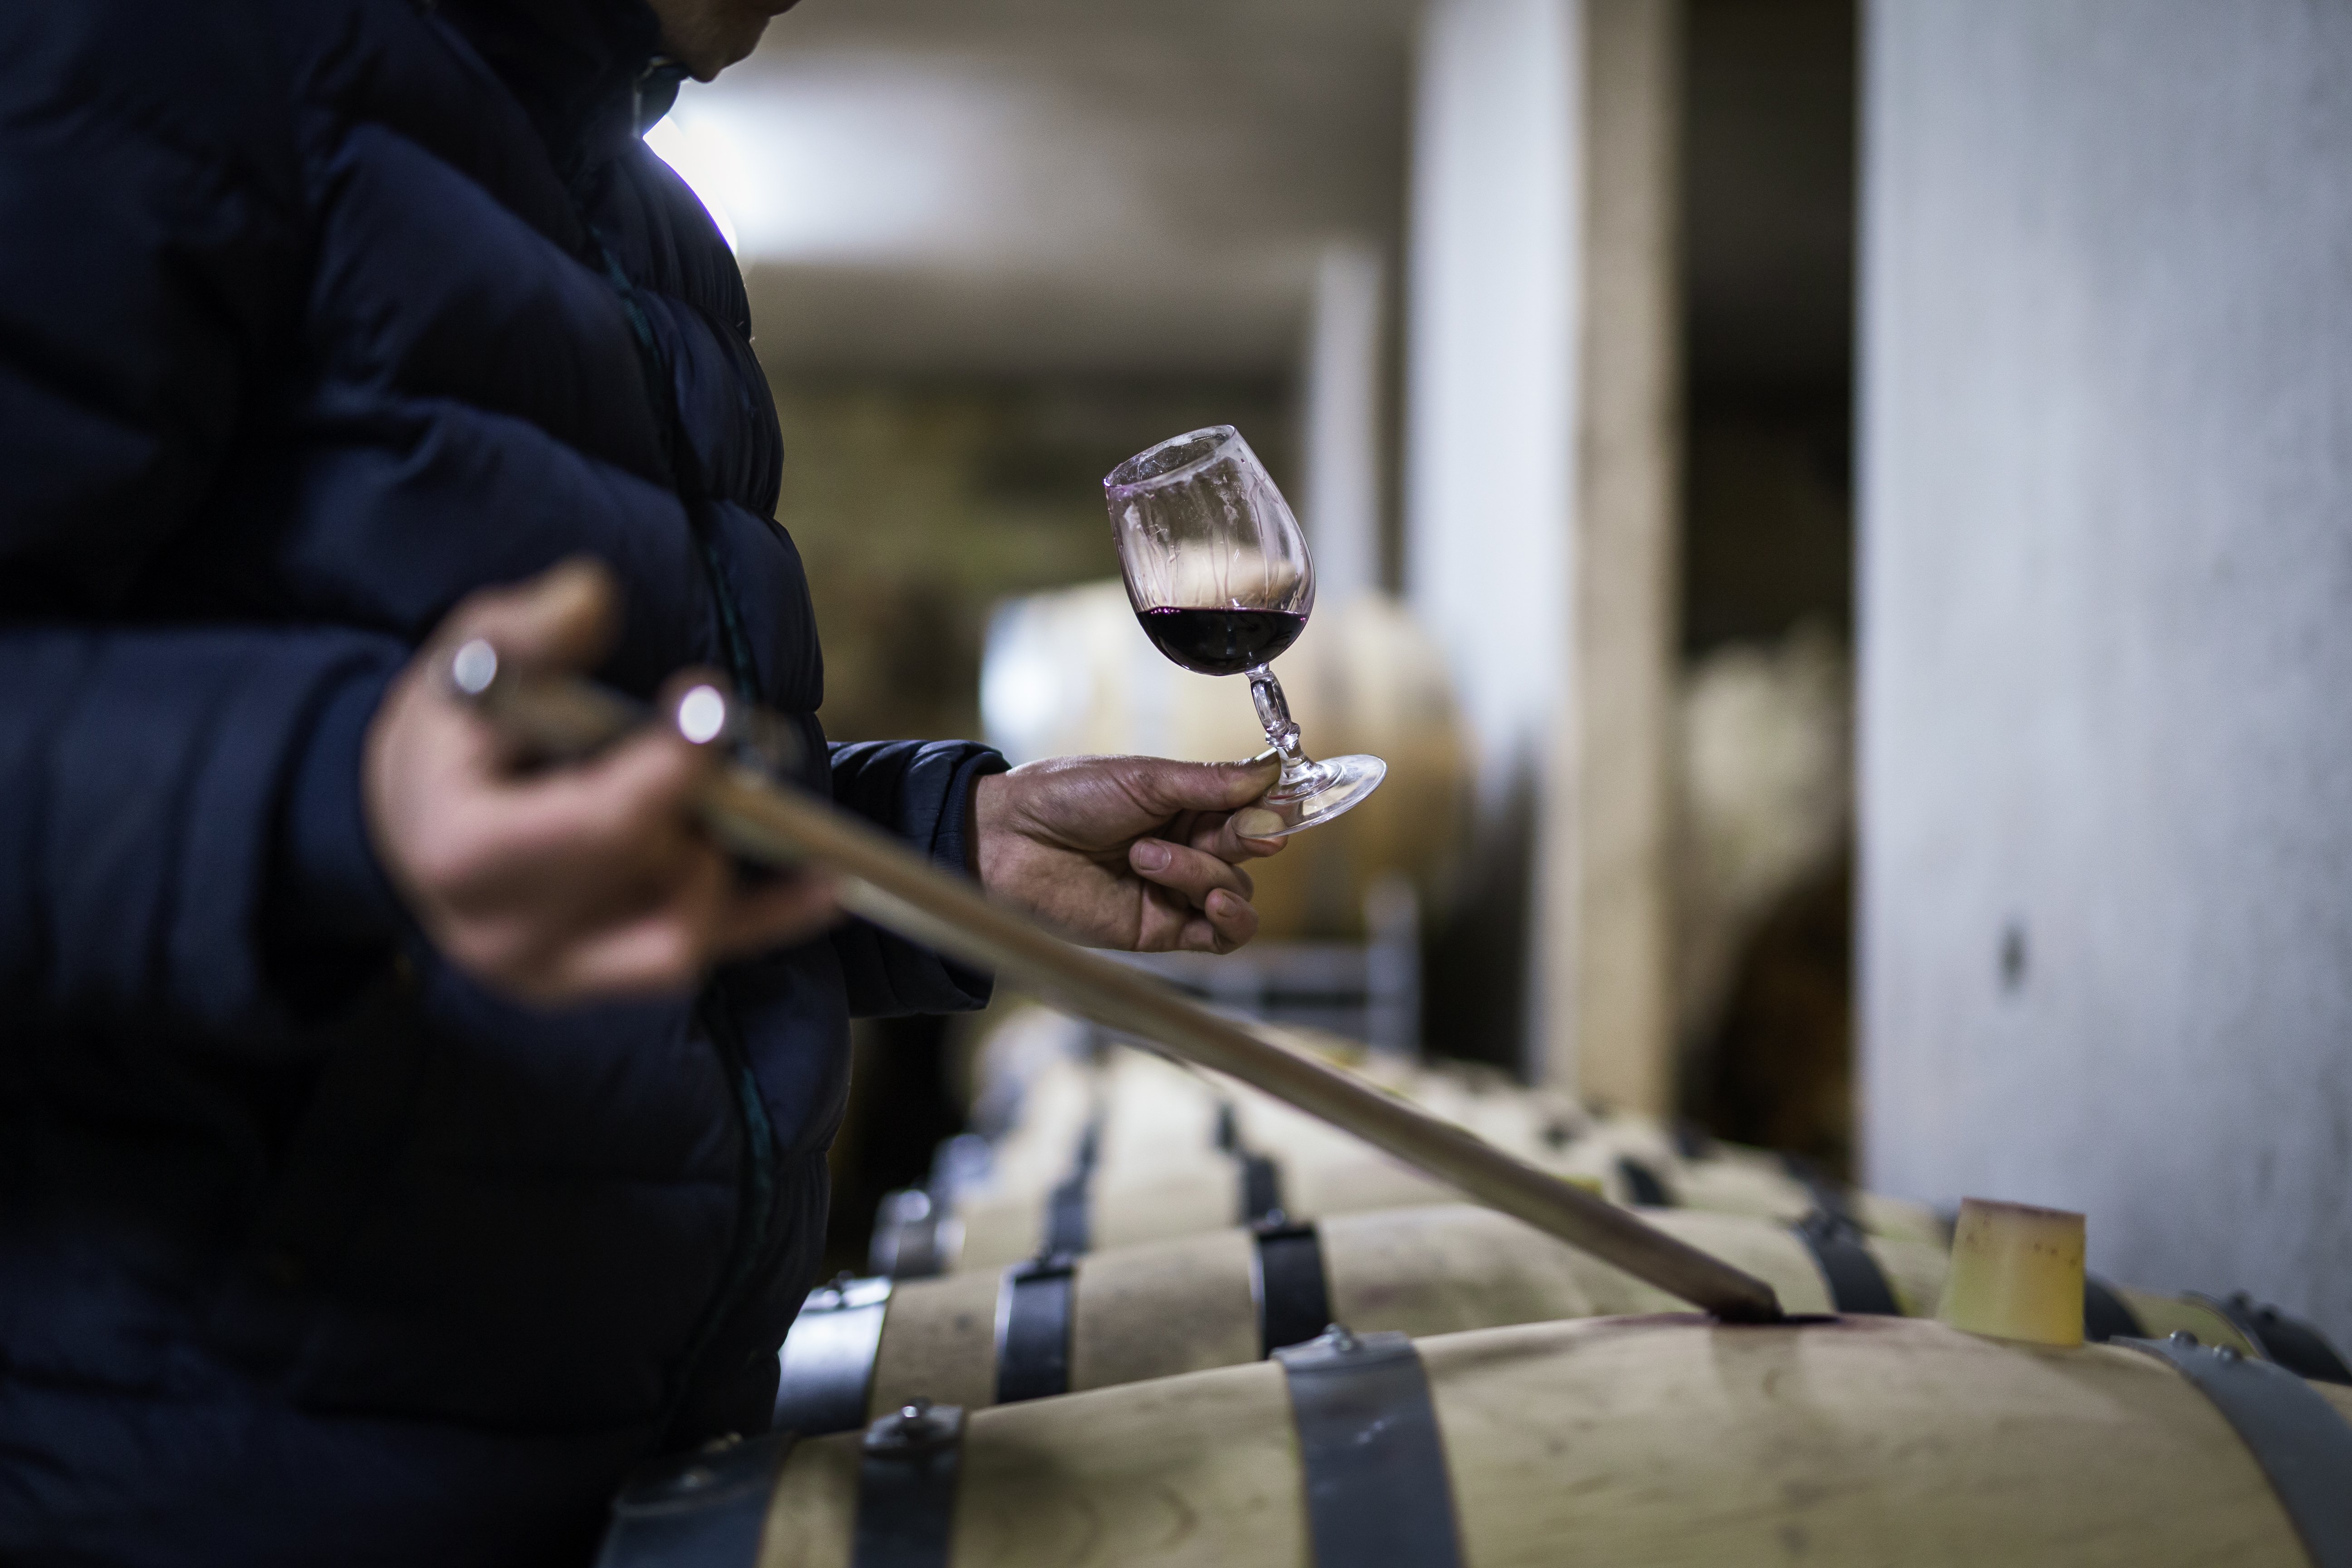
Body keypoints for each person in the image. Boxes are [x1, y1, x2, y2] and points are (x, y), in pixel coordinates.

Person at [0, 0, 1284, 1563]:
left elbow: (643, 812)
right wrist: (331, 803)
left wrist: (947, 844)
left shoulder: (657, 234)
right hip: (231, 1481)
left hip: (648, 1454)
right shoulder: (155, 54)